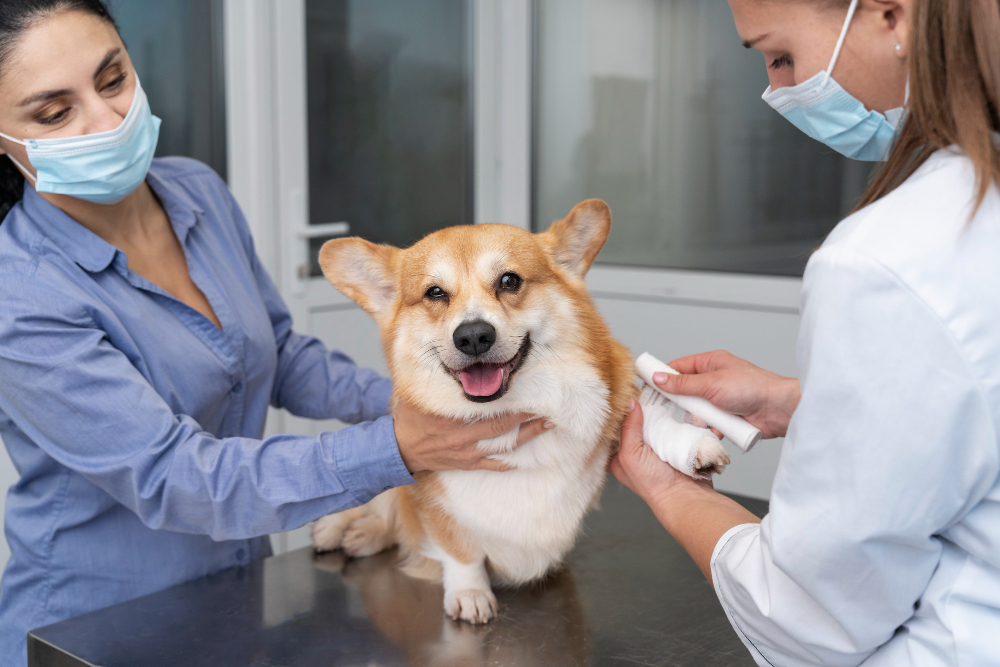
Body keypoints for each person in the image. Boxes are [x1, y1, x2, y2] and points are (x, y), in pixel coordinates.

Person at [0, 2, 549, 664]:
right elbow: (177, 476)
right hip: (88, 631)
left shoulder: (195, 193)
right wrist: (397, 446)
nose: (108, 119)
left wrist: (433, 403)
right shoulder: (21, 293)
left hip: (233, 595)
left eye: (112, 77)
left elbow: (280, 353)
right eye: (55, 114)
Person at [610, 0, 1000, 664]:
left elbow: (806, 618)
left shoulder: (889, 260)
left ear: (891, 16)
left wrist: (666, 486)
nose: (779, 92)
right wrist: (796, 400)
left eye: (782, 56)